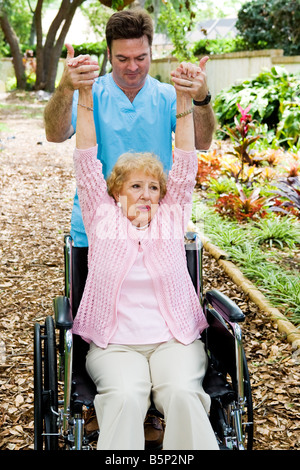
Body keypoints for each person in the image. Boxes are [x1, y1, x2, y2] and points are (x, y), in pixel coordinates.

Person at [70, 47, 219, 450]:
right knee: (123, 396)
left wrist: (185, 99)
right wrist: (83, 94)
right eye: (136, 186)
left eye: (153, 187)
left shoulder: (171, 219)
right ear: (115, 192)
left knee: (184, 395)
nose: (147, 194)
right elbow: (85, 161)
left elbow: (186, 164)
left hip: (174, 340)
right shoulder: (101, 219)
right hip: (115, 343)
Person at [44, 9, 215, 247]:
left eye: (141, 58)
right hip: (96, 226)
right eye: (123, 59)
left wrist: (201, 98)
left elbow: (202, 142)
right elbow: (54, 134)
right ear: (109, 54)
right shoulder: (89, 92)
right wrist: (64, 87)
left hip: (156, 227)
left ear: (151, 53)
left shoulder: (167, 96)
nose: (132, 67)